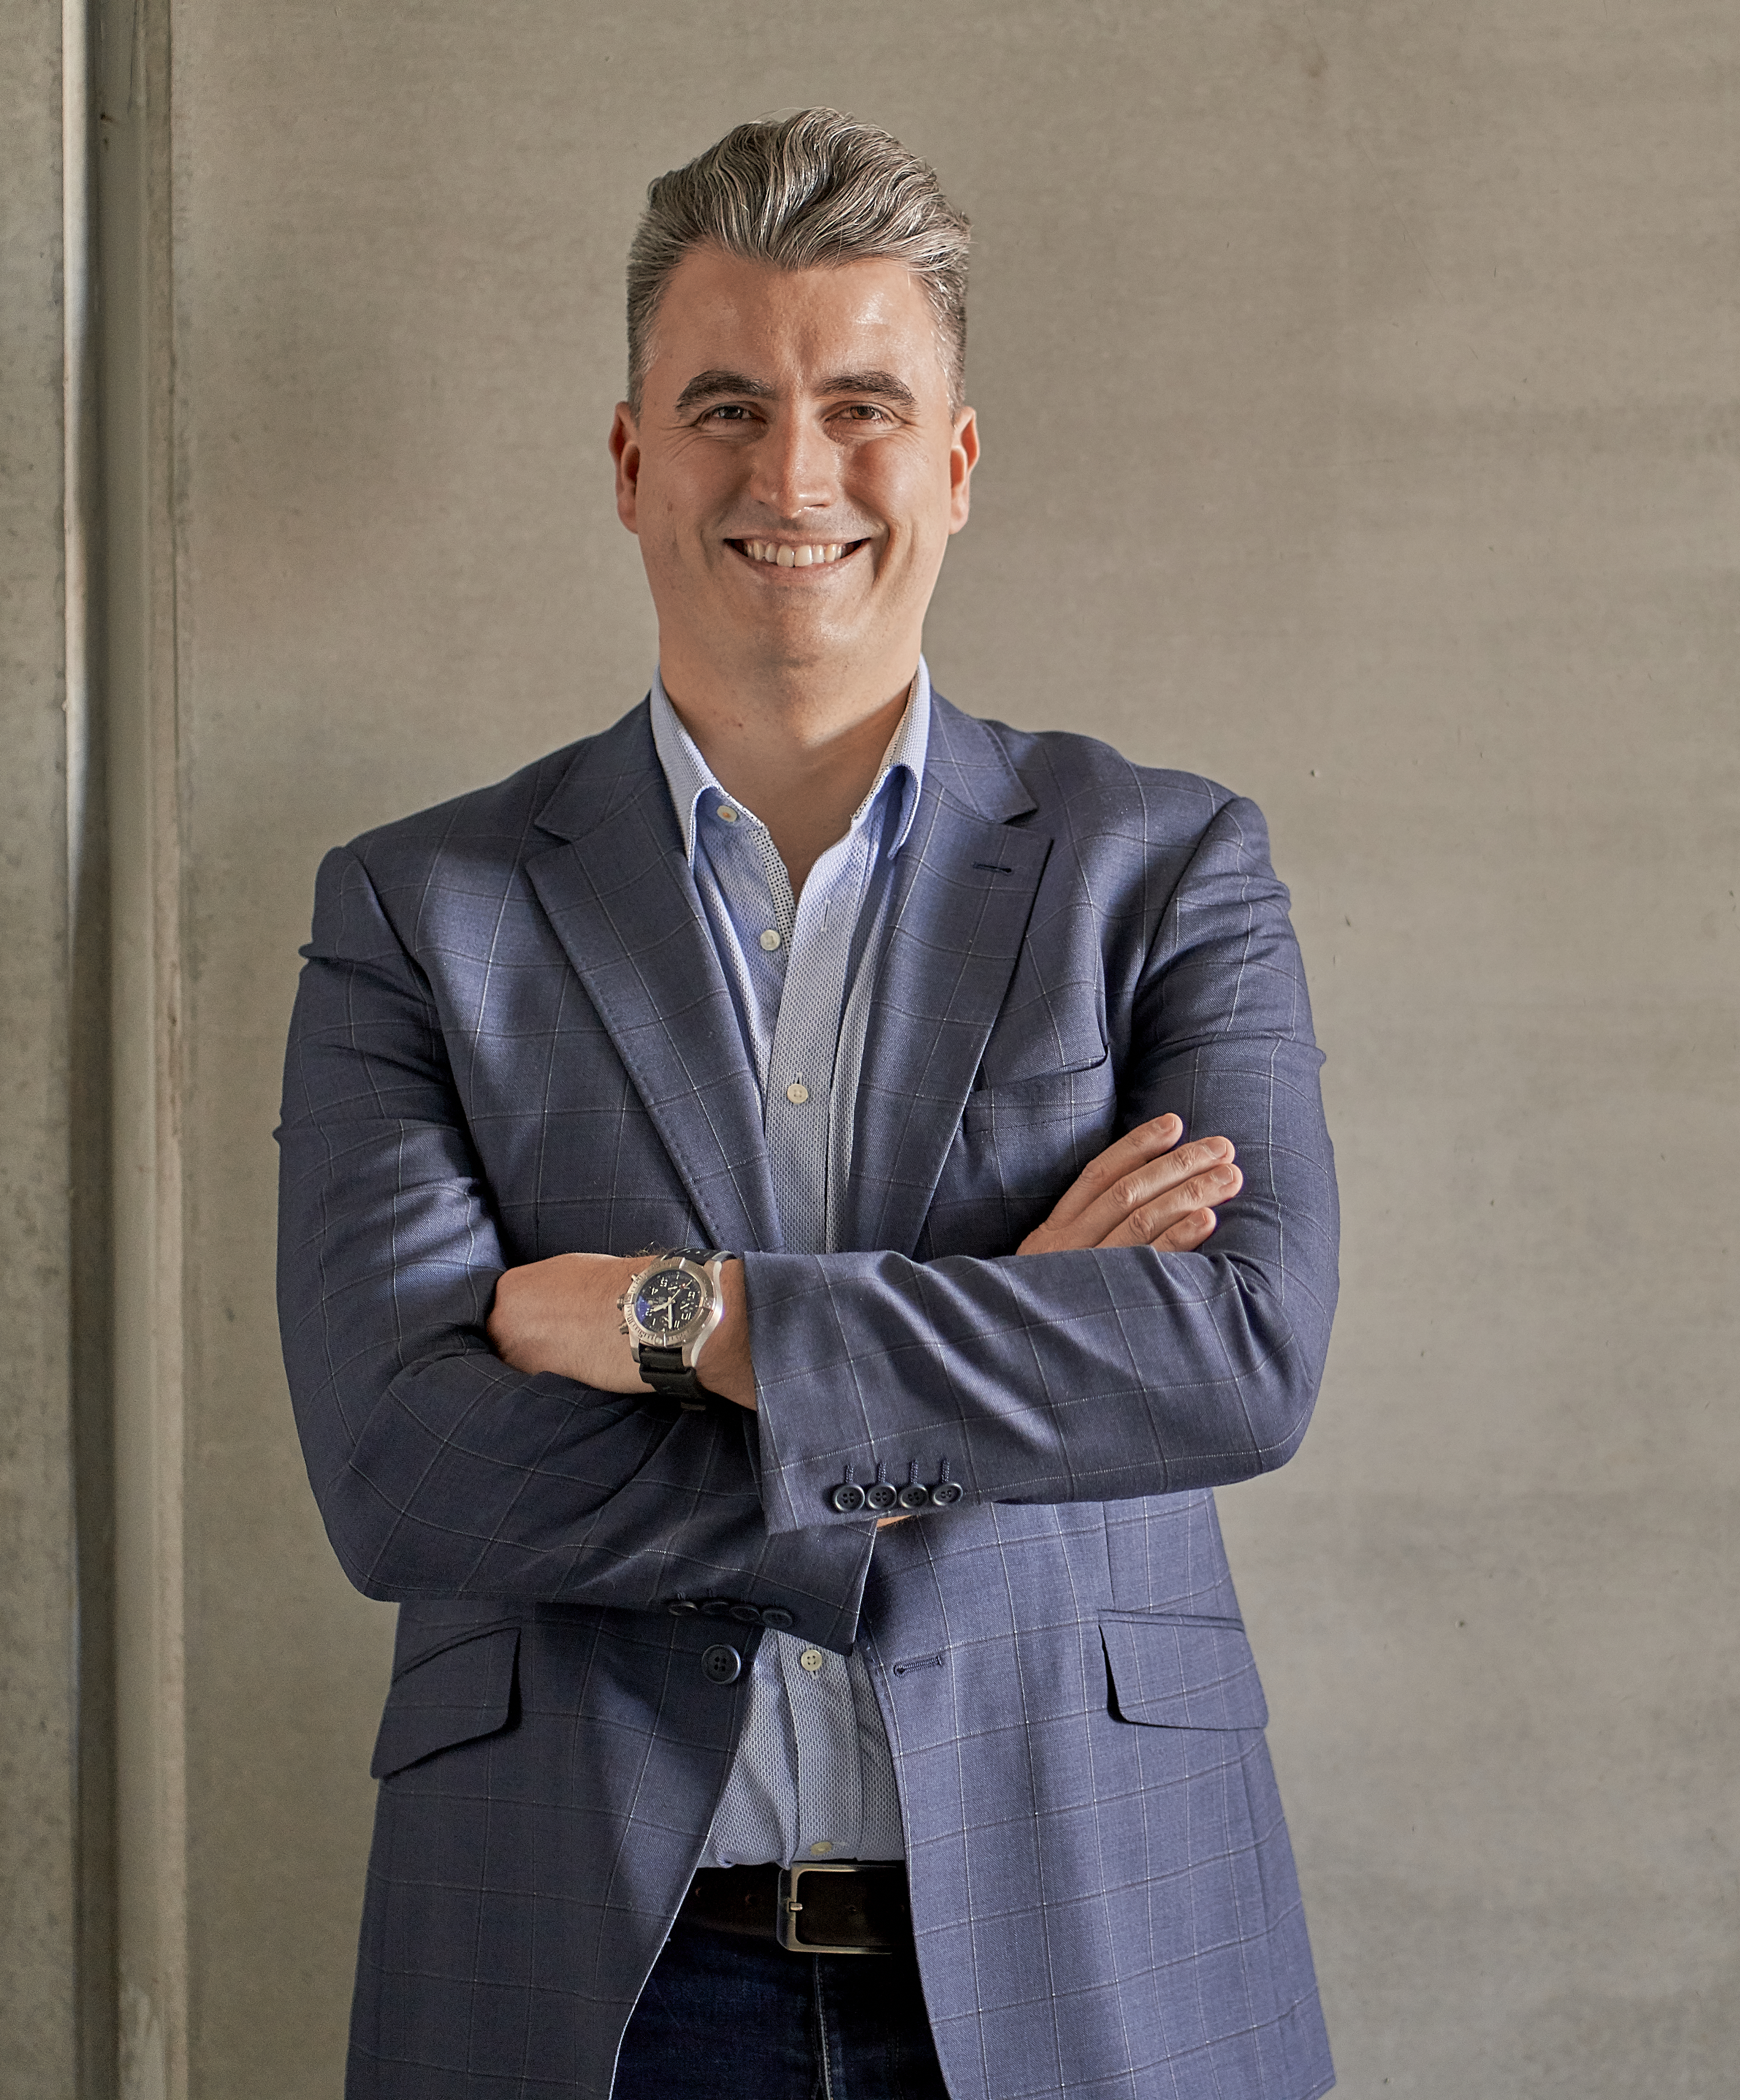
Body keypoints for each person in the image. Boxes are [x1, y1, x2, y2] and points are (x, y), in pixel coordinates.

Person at [276, 108, 1338, 2100]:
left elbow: (1240, 1361)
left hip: (1088, 1934)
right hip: (587, 1962)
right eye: (724, 406)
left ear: (951, 463)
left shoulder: (1168, 868)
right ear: (627, 461)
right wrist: (1013, 1352)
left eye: (861, 406)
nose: (792, 474)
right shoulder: (421, 916)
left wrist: (697, 1325)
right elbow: (404, 1476)